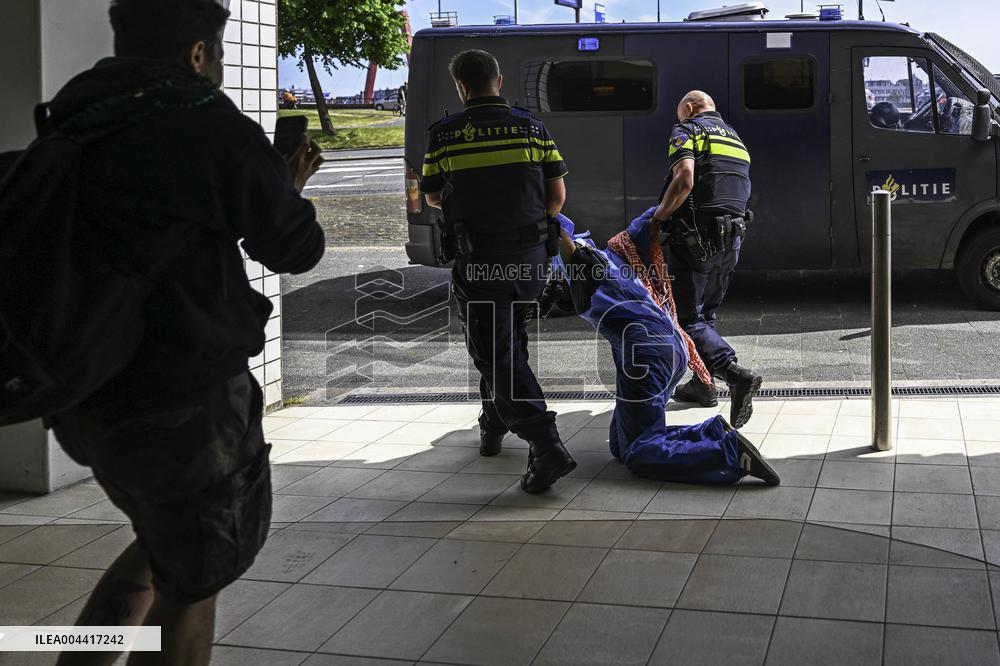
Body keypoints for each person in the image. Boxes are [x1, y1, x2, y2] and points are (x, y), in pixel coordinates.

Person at [39, 1, 325, 664]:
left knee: (163, 544)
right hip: (183, 400)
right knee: (195, 579)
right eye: (217, 55)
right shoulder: (208, 126)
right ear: (197, 53)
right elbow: (295, 248)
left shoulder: (72, 118)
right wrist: (286, 186)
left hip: (87, 389)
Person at [420, 49, 576, 493]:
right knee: (507, 342)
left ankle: (545, 443)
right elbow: (557, 198)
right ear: (499, 80)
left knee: (494, 353)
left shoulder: (445, 135)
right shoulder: (532, 128)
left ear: (461, 87)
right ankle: (492, 425)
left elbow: (432, 195)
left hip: (482, 262)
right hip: (532, 262)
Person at [544, 212, 779, 485]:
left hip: (648, 356)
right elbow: (654, 218)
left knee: (639, 451)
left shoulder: (579, 262)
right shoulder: (616, 252)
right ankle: (711, 433)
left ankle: (728, 453)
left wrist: (537, 210)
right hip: (669, 349)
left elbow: (556, 232)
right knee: (619, 445)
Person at [650, 90, 762, 428]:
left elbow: (684, 179)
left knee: (686, 319)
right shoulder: (734, 137)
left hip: (695, 238)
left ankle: (734, 373)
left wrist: (658, 218)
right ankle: (703, 384)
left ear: (688, 108)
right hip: (732, 238)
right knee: (705, 316)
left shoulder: (687, 130)